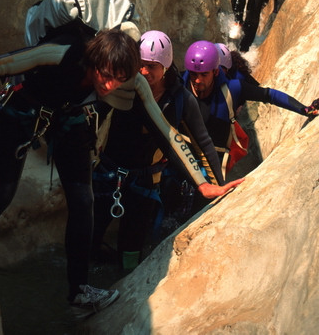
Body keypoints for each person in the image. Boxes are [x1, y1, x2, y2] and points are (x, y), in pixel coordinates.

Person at [0, 28, 141, 319]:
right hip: (24, 105)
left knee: (84, 200)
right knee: (3, 190)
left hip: (68, 118)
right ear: (94, 60)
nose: (108, 86)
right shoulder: (64, 53)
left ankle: (79, 293)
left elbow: (162, 125)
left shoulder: (126, 74)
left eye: (117, 80)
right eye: (105, 76)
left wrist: (204, 184)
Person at [92, 31, 242, 271]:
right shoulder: (125, 84)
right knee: (92, 231)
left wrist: (217, 184)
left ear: (166, 65)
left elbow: (203, 143)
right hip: (109, 172)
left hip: (146, 179)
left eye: (152, 66)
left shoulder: (180, 98)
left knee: (132, 243)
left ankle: (124, 286)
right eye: (140, 65)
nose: (144, 72)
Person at [184, 40, 319, 171]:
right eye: (194, 74)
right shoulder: (181, 85)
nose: (197, 80)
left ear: (215, 72)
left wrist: (305, 109)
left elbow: (269, 95)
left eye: (204, 75)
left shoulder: (233, 88)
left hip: (211, 164)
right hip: (182, 156)